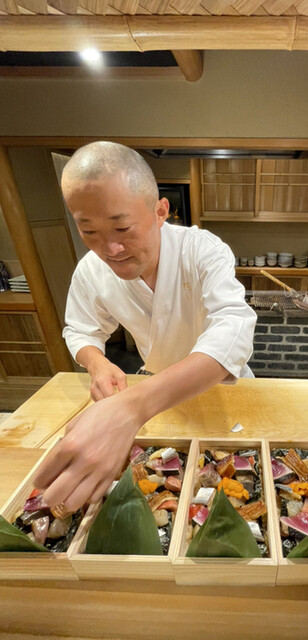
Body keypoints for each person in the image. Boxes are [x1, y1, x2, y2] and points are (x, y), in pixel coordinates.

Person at [34, 141, 257, 512]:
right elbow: (81, 330)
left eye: (122, 227)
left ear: (160, 211)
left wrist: (131, 408)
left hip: (224, 392)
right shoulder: (91, 269)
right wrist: (98, 364)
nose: (110, 249)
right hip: (156, 400)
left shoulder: (202, 250)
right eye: (89, 232)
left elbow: (233, 330)